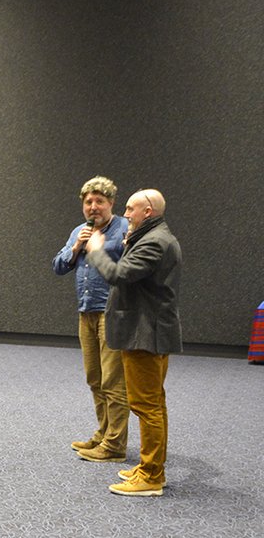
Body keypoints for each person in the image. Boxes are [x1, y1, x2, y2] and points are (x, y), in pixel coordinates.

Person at [85, 188, 181, 497]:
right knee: (154, 404)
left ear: (147, 212)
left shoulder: (154, 241)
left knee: (146, 406)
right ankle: (151, 467)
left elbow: (118, 275)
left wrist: (96, 250)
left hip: (145, 333)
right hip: (146, 330)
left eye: (130, 208)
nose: (126, 214)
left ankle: (151, 476)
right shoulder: (151, 237)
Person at [52, 176, 130, 464]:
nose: (93, 207)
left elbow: (130, 269)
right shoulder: (79, 231)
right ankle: (104, 432)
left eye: (99, 201)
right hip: (86, 312)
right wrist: (76, 249)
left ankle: (115, 446)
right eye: (88, 202)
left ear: (111, 202)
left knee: (113, 381)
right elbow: (57, 266)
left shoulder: (124, 229)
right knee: (94, 379)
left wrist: (100, 249)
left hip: (113, 314)